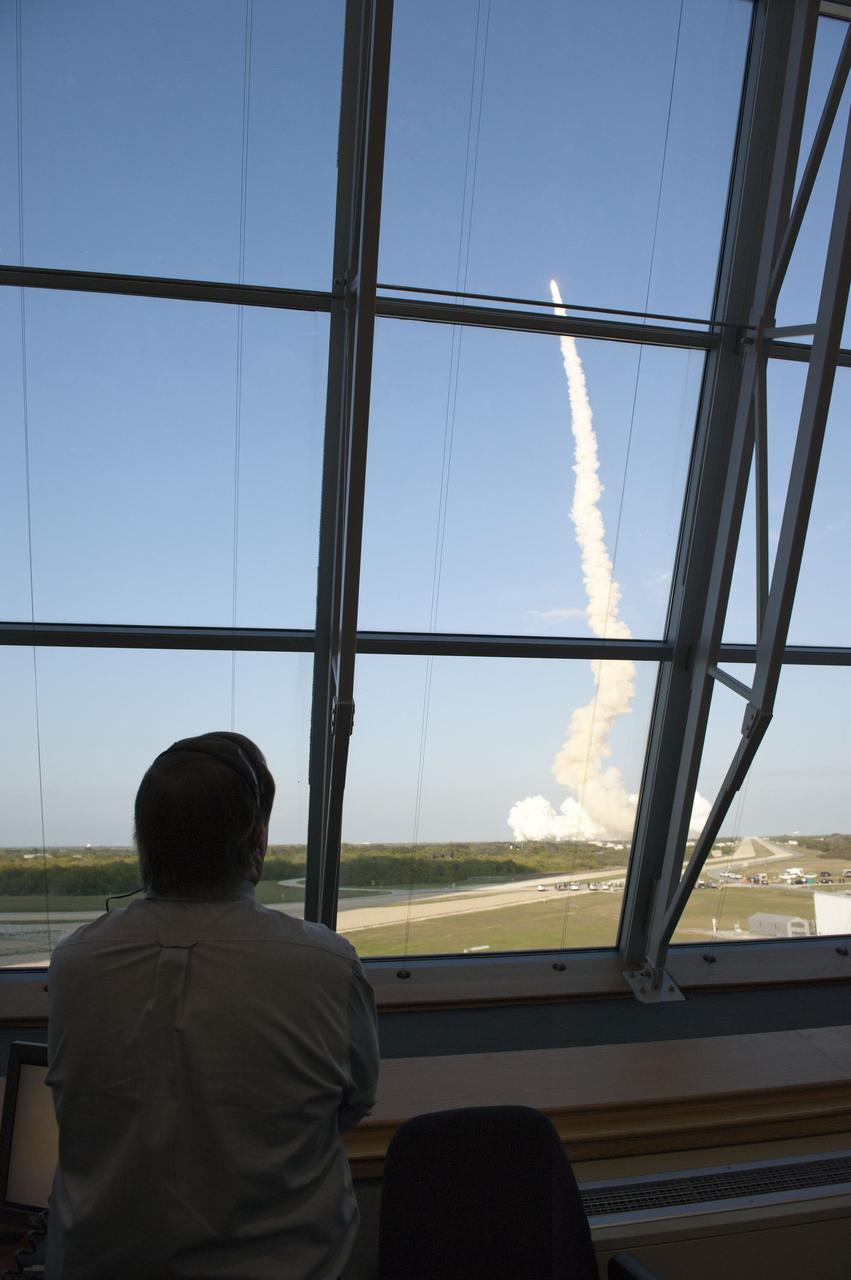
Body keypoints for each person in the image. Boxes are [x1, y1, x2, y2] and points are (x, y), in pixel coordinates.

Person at [45, 731, 380, 1280]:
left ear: (143, 840)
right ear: (256, 838)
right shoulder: (326, 964)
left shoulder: (74, 961)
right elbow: (354, 1104)